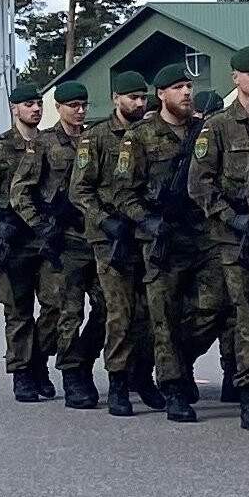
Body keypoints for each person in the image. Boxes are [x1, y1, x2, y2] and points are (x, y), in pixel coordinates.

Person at [190, 48, 249, 430]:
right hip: (235, 240)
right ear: (236, 79)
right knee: (248, 318)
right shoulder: (219, 126)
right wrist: (231, 217)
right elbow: (200, 183)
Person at [7, 80, 103, 407]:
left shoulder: (96, 139)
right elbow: (20, 191)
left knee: (109, 309)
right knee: (65, 312)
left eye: (84, 105)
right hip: (64, 241)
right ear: (59, 107)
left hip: (98, 238)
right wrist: (41, 226)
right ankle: (69, 373)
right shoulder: (45, 143)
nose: (80, 111)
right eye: (73, 106)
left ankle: (81, 360)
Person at [126, 63, 211, 421]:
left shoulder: (204, 130)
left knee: (215, 306)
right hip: (161, 239)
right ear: (161, 94)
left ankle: (176, 359)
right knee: (164, 316)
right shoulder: (140, 136)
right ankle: (173, 387)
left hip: (202, 236)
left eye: (189, 86)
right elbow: (123, 191)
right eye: (178, 87)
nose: (186, 92)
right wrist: (147, 220)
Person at [81, 69, 164, 415]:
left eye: (143, 97)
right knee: (119, 311)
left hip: (145, 234)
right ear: (116, 98)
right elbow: (80, 190)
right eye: (133, 97)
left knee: (149, 312)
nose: (139, 103)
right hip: (110, 238)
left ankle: (141, 375)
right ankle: (115, 380)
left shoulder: (151, 132)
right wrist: (104, 220)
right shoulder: (97, 137)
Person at [0, 79, 49, 400]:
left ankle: (38, 361)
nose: (36, 109)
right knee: (18, 313)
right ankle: (22, 373)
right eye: (29, 104)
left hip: (46, 240)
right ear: (14, 109)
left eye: (39, 104)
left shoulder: (50, 144)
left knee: (57, 309)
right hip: (13, 244)